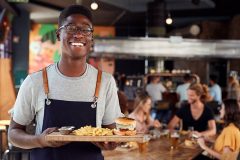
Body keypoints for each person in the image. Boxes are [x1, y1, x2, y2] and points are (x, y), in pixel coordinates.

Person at [8, 5, 123, 160]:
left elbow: (112, 133)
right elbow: (13, 134)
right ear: (58, 34)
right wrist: (40, 140)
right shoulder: (35, 81)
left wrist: (112, 143)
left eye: (86, 29)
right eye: (71, 28)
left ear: (91, 38)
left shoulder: (105, 82)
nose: (79, 34)